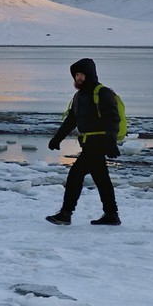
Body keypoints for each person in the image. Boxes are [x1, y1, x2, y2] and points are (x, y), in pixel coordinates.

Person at [45, 57, 124, 226]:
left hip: (99, 142)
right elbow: (71, 120)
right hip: (88, 142)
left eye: (81, 74)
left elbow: (113, 119)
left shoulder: (102, 93)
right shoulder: (79, 96)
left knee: (75, 175)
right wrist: (57, 138)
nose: (78, 78)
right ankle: (111, 214)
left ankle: (66, 213)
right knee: (101, 178)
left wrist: (111, 142)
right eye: (76, 75)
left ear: (90, 74)